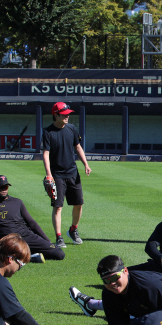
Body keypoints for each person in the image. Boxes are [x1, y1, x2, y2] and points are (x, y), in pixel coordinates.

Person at [68, 255, 162, 325]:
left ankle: (89, 304)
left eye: (114, 277)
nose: (112, 283)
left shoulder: (151, 286)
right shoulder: (108, 292)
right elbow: (118, 321)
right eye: (106, 280)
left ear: (126, 271)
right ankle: (89, 304)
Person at [0, 175, 64, 263]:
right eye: (1, 187)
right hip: (6, 242)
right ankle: (30, 257)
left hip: (26, 237)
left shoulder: (17, 202)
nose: (4, 189)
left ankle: (20, 255)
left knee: (59, 254)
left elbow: (32, 223)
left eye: (6, 186)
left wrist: (48, 241)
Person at [41, 102, 92, 248]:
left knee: (78, 204)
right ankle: (59, 237)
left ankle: (73, 230)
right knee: (58, 207)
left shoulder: (72, 129)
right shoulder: (47, 132)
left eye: (68, 113)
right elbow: (45, 153)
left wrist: (86, 164)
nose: (67, 116)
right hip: (57, 175)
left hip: (72, 173)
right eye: (64, 114)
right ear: (55, 115)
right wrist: (49, 174)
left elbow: (77, 147)